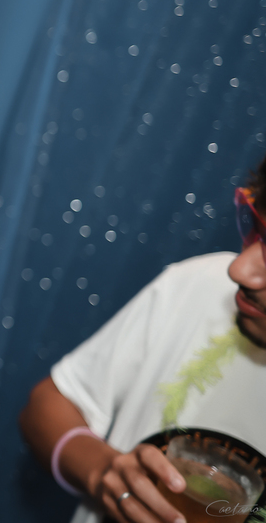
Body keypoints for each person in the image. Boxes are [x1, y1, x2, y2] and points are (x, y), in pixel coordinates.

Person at [20, 158, 266, 523]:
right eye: (255, 227)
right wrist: (102, 471)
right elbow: (46, 405)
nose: (239, 269)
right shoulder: (202, 285)